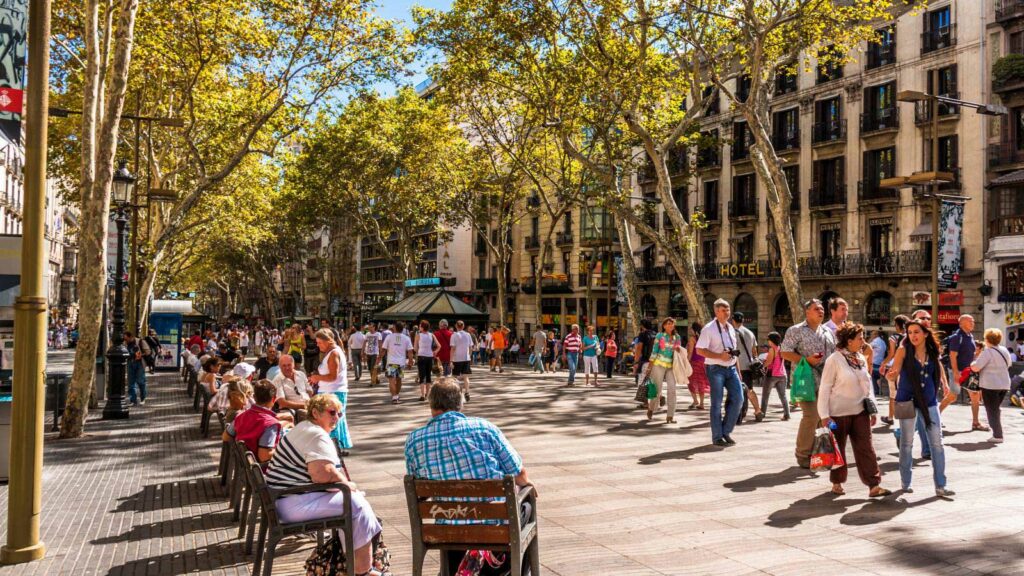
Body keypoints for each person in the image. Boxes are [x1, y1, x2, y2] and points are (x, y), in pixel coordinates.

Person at [404, 379, 534, 575]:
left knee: (456, 518)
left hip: (446, 530)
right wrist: (527, 486)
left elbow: (417, 484)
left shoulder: (414, 440)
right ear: (460, 403)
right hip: (493, 528)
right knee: (527, 505)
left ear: (431, 405)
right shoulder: (484, 429)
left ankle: (460, 567)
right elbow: (518, 473)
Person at [264, 394, 386, 576]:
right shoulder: (316, 435)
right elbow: (322, 474)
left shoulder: (304, 428)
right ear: (315, 412)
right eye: (332, 413)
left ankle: (354, 565)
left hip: (284, 499)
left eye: (339, 413)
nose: (336, 418)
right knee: (356, 505)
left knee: (354, 501)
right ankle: (363, 570)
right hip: (292, 503)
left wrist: (347, 486)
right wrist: (348, 485)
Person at [818, 322, 890, 498]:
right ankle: (837, 483)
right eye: (860, 338)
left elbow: (868, 386)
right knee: (839, 449)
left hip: (860, 412)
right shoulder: (834, 360)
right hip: (837, 414)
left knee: (866, 448)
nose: (863, 341)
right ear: (849, 341)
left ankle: (874, 485)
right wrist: (824, 415)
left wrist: (872, 409)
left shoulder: (861, 358)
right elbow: (825, 387)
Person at [894, 319, 954, 497]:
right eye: (910, 332)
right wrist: (890, 374)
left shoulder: (933, 351)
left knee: (937, 444)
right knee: (906, 443)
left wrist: (944, 382)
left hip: (929, 401)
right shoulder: (903, 350)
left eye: (916, 332)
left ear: (925, 334)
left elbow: (939, 365)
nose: (912, 335)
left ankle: (941, 485)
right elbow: (895, 371)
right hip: (906, 400)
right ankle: (905, 482)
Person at [781, 299, 837, 468]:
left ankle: (822, 453)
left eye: (822, 309)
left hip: (826, 381)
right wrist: (806, 360)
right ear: (807, 312)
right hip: (805, 380)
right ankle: (803, 455)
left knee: (824, 417)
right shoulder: (796, 330)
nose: (821, 311)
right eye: (816, 309)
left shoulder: (827, 331)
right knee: (811, 416)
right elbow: (784, 352)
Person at [697, 301, 744, 446]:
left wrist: (738, 370)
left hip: (731, 368)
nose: (727, 312)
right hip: (715, 368)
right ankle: (717, 436)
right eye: (724, 310)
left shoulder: (730, 327)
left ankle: (726, 431)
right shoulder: (708, 329)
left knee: (739, 399)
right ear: (716, 312)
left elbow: (733, 351)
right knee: (716, 403)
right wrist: (719, 356)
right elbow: (700, 350)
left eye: (728, 310)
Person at [307, 328, 351, 453]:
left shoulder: (334, 353)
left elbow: (333, 376)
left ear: (327, 341)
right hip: (330, 390)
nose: (317, 345)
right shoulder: (331, 352)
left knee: (332, 420)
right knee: (333, 419)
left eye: (319, 342)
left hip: (334, 391)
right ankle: (337, 446)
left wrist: (317, 377)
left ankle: (336, 447)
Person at [223, 379, 283, 465]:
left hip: (244, 465)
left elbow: (225, 437)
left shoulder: (241, 415)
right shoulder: (271, 424)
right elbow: (264, 456)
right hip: (263, 470)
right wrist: (283, 450)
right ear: (273, 399)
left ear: (254, 397)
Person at [970, 328, 1012, 443]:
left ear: (987, 339)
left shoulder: (988, 352)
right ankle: (997, 432)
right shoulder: (1004, 350)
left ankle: (998, 435)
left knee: (991, 410)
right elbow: (1009, 364)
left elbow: (976, 367)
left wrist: (972, 363)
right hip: (1004, 383)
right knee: (995, 409)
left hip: (990, 384)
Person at [944, 316, 984, 433]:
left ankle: (975, 423)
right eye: (970, 321)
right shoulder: (957, 337)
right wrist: (956, 372)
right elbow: (952, 356)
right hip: (958, 371)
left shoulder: (970, 336)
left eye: (973, 320)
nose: (973, 323)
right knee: (952, 396)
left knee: (975, 396)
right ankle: (934, 419)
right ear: (961, 323)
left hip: (969, 371)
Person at [645, 318, 685, 423]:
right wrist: (650, 366)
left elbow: (679, 351)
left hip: (671, 367)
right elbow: (654, 351)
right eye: (668, 323)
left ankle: (670, 416)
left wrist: (678, 349)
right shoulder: (659, 336)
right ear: (664, 326)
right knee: (657, 390)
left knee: (672, 390)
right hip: (658, 365)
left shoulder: (677, 337)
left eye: (672, 324)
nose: (671, 325)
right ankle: (651, 408)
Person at [731, 312, 764, 424]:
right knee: (749, 389)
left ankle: (737, 413)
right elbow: (754, 351)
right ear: (743, 320)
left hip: (737, 365)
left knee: (736, 390)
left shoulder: (732, 333)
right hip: (749, 366)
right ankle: (758, 410)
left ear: (733, 320)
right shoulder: (750, 333)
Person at [880, 315, 909, 425]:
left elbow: (891, 354)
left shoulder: (894, 338)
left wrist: (883, 364)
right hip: (906, 368)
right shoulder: (909, 336)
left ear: (897, 325)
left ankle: (891, 417)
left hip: (895, 368)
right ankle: (904, 418)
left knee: (893, 394)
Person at [272, 354, 312, 423]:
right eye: (284, 366)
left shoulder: (301, 374)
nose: (287, 368)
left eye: (289, 365)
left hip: (308, 405)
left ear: (293, 365)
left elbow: (309, 391)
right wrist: (303, 405)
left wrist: (309, 403)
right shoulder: (277, 380)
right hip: (293, 409)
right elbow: (282, 403)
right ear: (280, 367)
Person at [382, 321, 415, 405]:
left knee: (391, 381)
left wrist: (379, 358)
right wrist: (410, 361)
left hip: (391, 362)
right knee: (399, 380)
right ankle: (396, 395)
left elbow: (383, 349)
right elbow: (410, 351)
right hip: (401, 362)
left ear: (395, 328)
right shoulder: (406, 338)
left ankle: (394, 397)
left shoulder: (389, 337)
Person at [760, 332, 789, 420]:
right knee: (783, 395)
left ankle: (762, 414)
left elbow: (768, 362)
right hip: (782, 374)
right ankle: (787, 414)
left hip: (772, 375)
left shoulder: (772, 349)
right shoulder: (782, 348)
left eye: (768, 339)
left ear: (771, 340)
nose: (768, 341)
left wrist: (762, 366)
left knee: (765, 395)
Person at [413, 320, 440, 402]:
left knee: (422, 376)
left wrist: (417, 353)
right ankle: (428, 394)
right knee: (428, 376)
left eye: (420, 326)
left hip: (421, 356)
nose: (419, 327)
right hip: (429, 357)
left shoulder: (418, 335)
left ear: (422, 327)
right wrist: (435, 352)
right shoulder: (432, 335)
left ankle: (422, 395)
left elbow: (415, 348)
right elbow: (439, 346)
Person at [450, 320, 475, 402]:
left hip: (457, 359)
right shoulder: (468, 335)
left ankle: (456, 393)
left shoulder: (454, 335)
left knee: (454, 377)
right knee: (465, 377)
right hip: (466, 358)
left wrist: (451, 360)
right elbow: (471, 347)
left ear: (456, 326)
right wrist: (469, 356)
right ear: (463, 326)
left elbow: (453, 348)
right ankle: (467, 392)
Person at [687, 322, 709, 410]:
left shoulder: (692, 339)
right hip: (703, 362)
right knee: (701, 383)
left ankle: (695, 400)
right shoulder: (704, 338)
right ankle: (702, 403)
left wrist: (687, 362)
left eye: (691, 328)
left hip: (694, 363)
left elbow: (690, 352)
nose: (690, 330)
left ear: (694, 329)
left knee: (690, 382)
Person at [125, 331, 148, 406]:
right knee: (131, 383)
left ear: (130, 337)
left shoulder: (140, 341)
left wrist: (140, 355)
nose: (125, 340)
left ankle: (143, 398)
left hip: (139, 364)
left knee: (141, 381)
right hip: (130, 363)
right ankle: (133, 400)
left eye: (126, 339)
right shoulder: (125, 344)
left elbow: (148, 351)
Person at [869, 329, 887, 397]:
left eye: (872, 334)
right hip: (880, 363)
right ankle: (877, 390)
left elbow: (867, 348)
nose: (871, 336)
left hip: (875, 363)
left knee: (871, 375)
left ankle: (875, 390)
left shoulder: (875, 341)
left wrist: (870, 340)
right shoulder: (883, 342)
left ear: (876, 335)